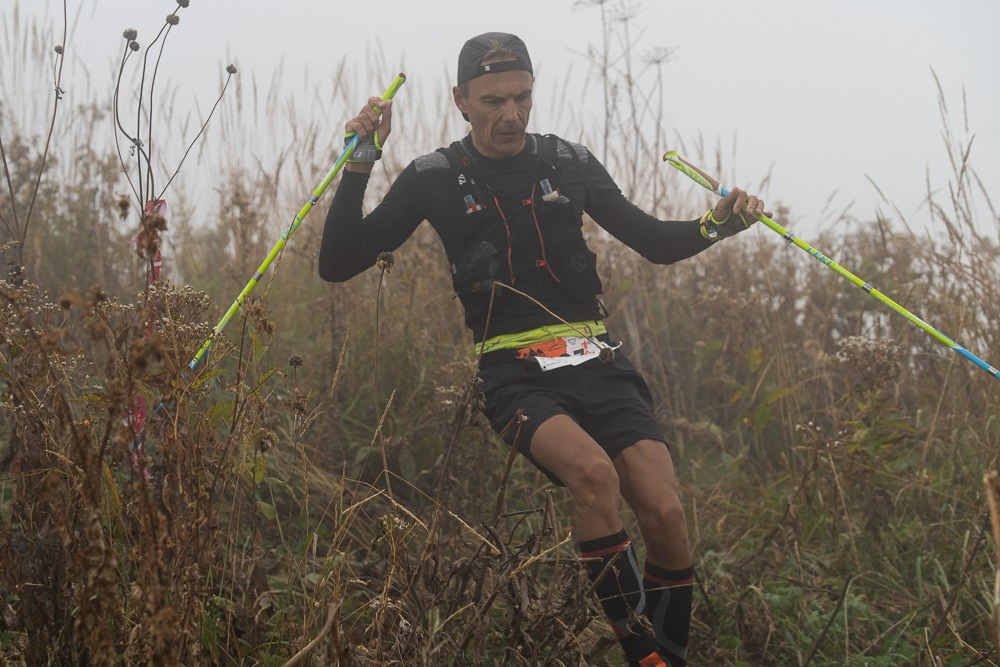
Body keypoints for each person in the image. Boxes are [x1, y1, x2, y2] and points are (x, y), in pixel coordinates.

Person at [319, 32, 769, 667]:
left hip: (597, 359)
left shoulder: (570, 161)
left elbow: (655, 242)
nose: (510, 115)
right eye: (493, 101)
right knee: (594, 475)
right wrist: (359, 162)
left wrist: (720, 222)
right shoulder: (432, 177)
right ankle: (644, 653)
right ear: (460, 100)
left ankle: (672, 651)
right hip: (514, 372)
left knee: (666, 513)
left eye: (522, 98)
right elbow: (338, 263)